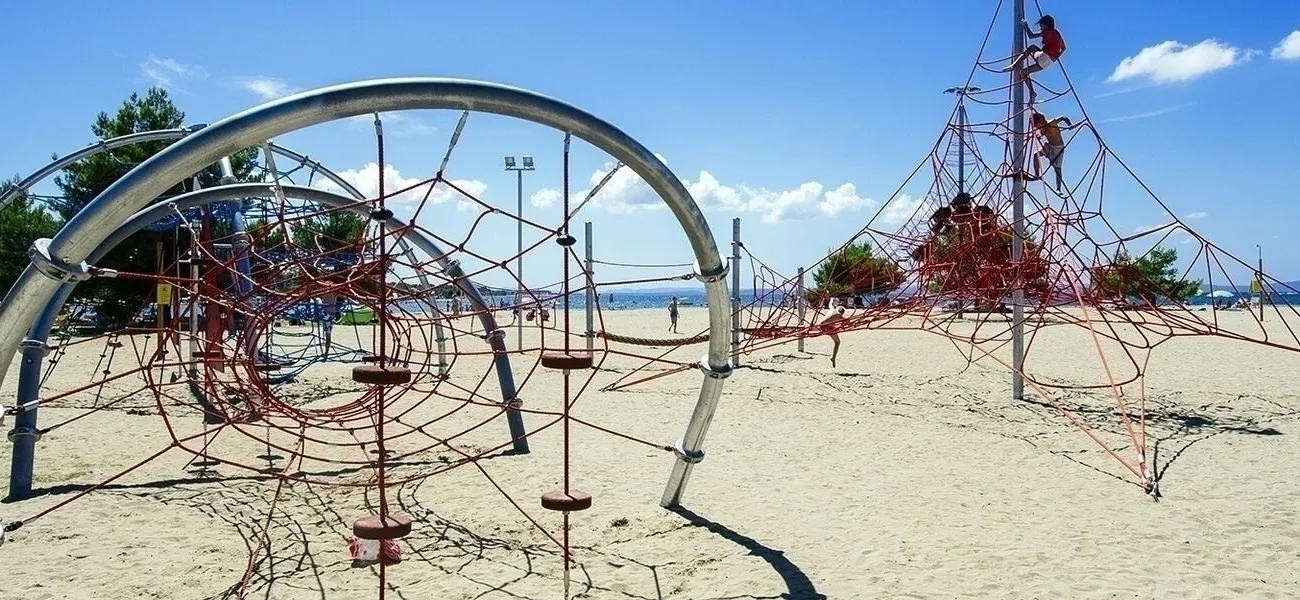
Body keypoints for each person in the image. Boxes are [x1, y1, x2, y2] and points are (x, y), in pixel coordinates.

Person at [1007, 15, 1066, 101]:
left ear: (1046, 25)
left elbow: (1031, 36)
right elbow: (1064, 48)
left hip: (1044, 56)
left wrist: (1025, 25)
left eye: (1041, 26)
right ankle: (1032, 93)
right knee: (1023, 73)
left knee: (1032, 47)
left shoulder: (1047, 31)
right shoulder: (1057, 34)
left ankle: (1013, 65)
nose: (1040, 28)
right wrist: (1056, 58)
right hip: (1048, 63)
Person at [1031, 112, 1075, 192]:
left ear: (1041, 121)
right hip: (1050, 146)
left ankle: (1058, 189)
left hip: (1058, 148)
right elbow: (1041, 135)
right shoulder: (1042, 129)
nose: (1037, 128)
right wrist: (1039, 137)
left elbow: (1063, 117)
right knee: (1036, 154)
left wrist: (1070, 124)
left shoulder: (1052, 122)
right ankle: (1037, 174)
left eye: (1037, 126)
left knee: (1057, 169)